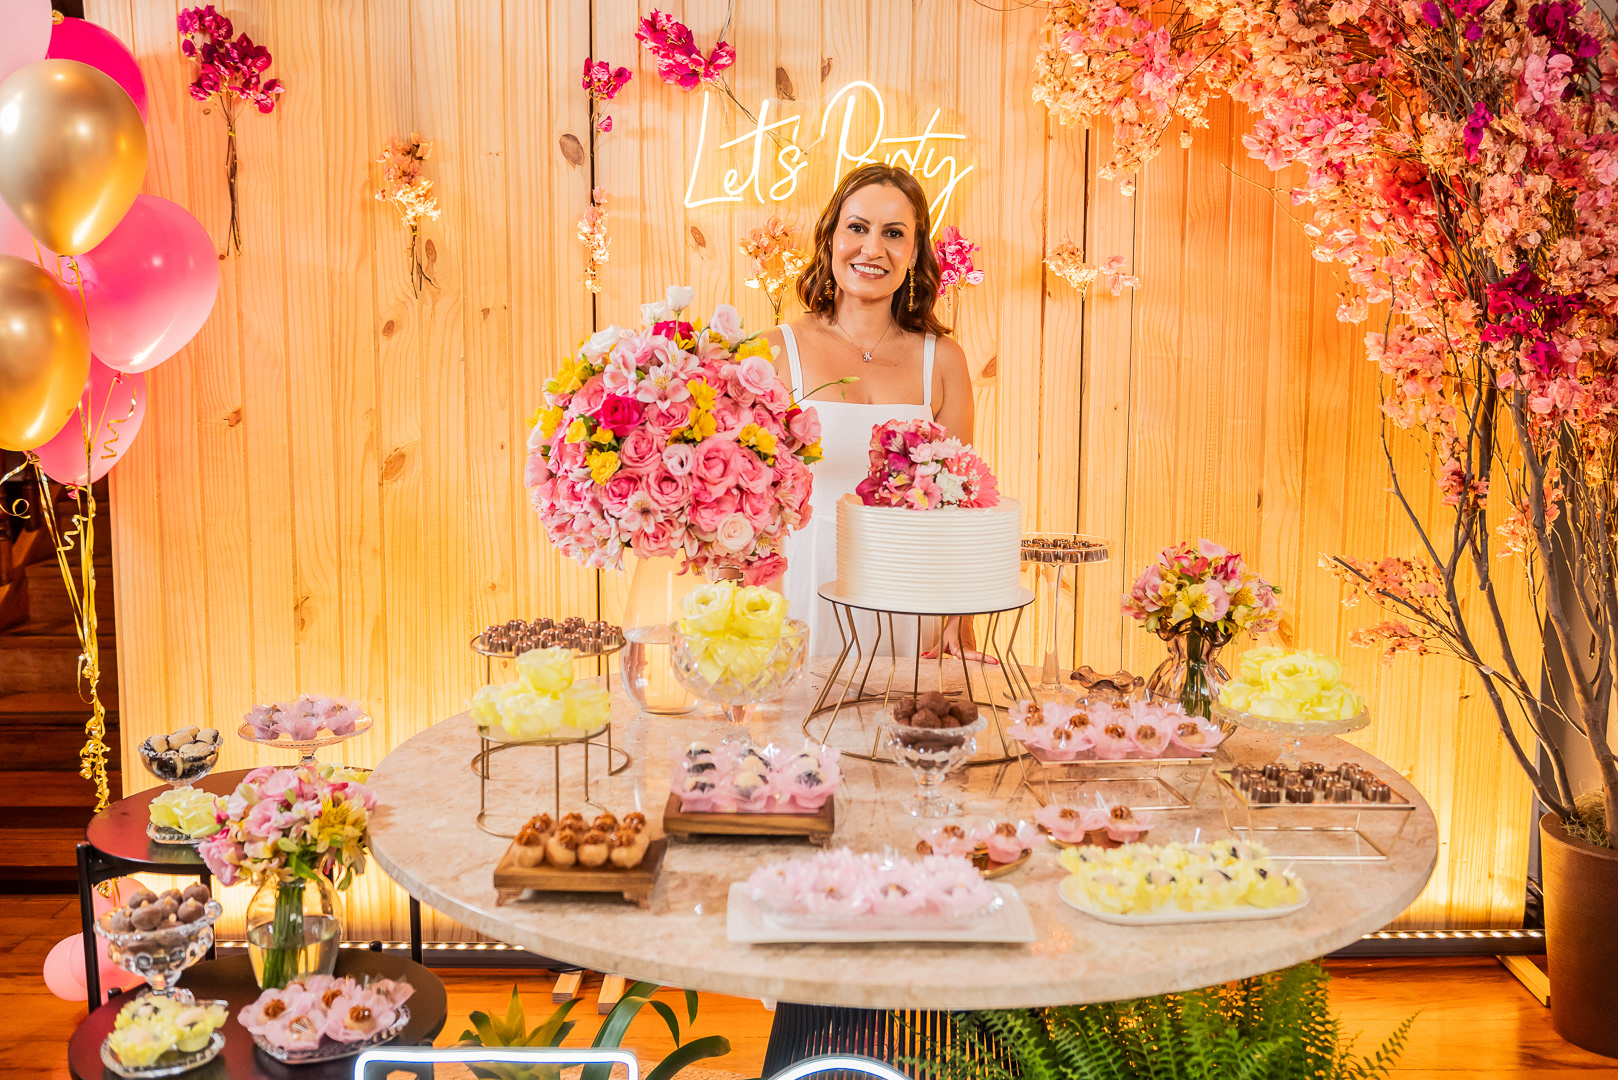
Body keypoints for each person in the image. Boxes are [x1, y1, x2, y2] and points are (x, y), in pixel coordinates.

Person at [764, 162, 989, 660]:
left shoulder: (943, 360)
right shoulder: (774, 351)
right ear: (830, 238)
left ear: (914, 252)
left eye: (893, 233)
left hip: (911, 587)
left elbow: (961, 506)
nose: (872, 249)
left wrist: (961, 620)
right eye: (858, 227)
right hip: (798, 583)